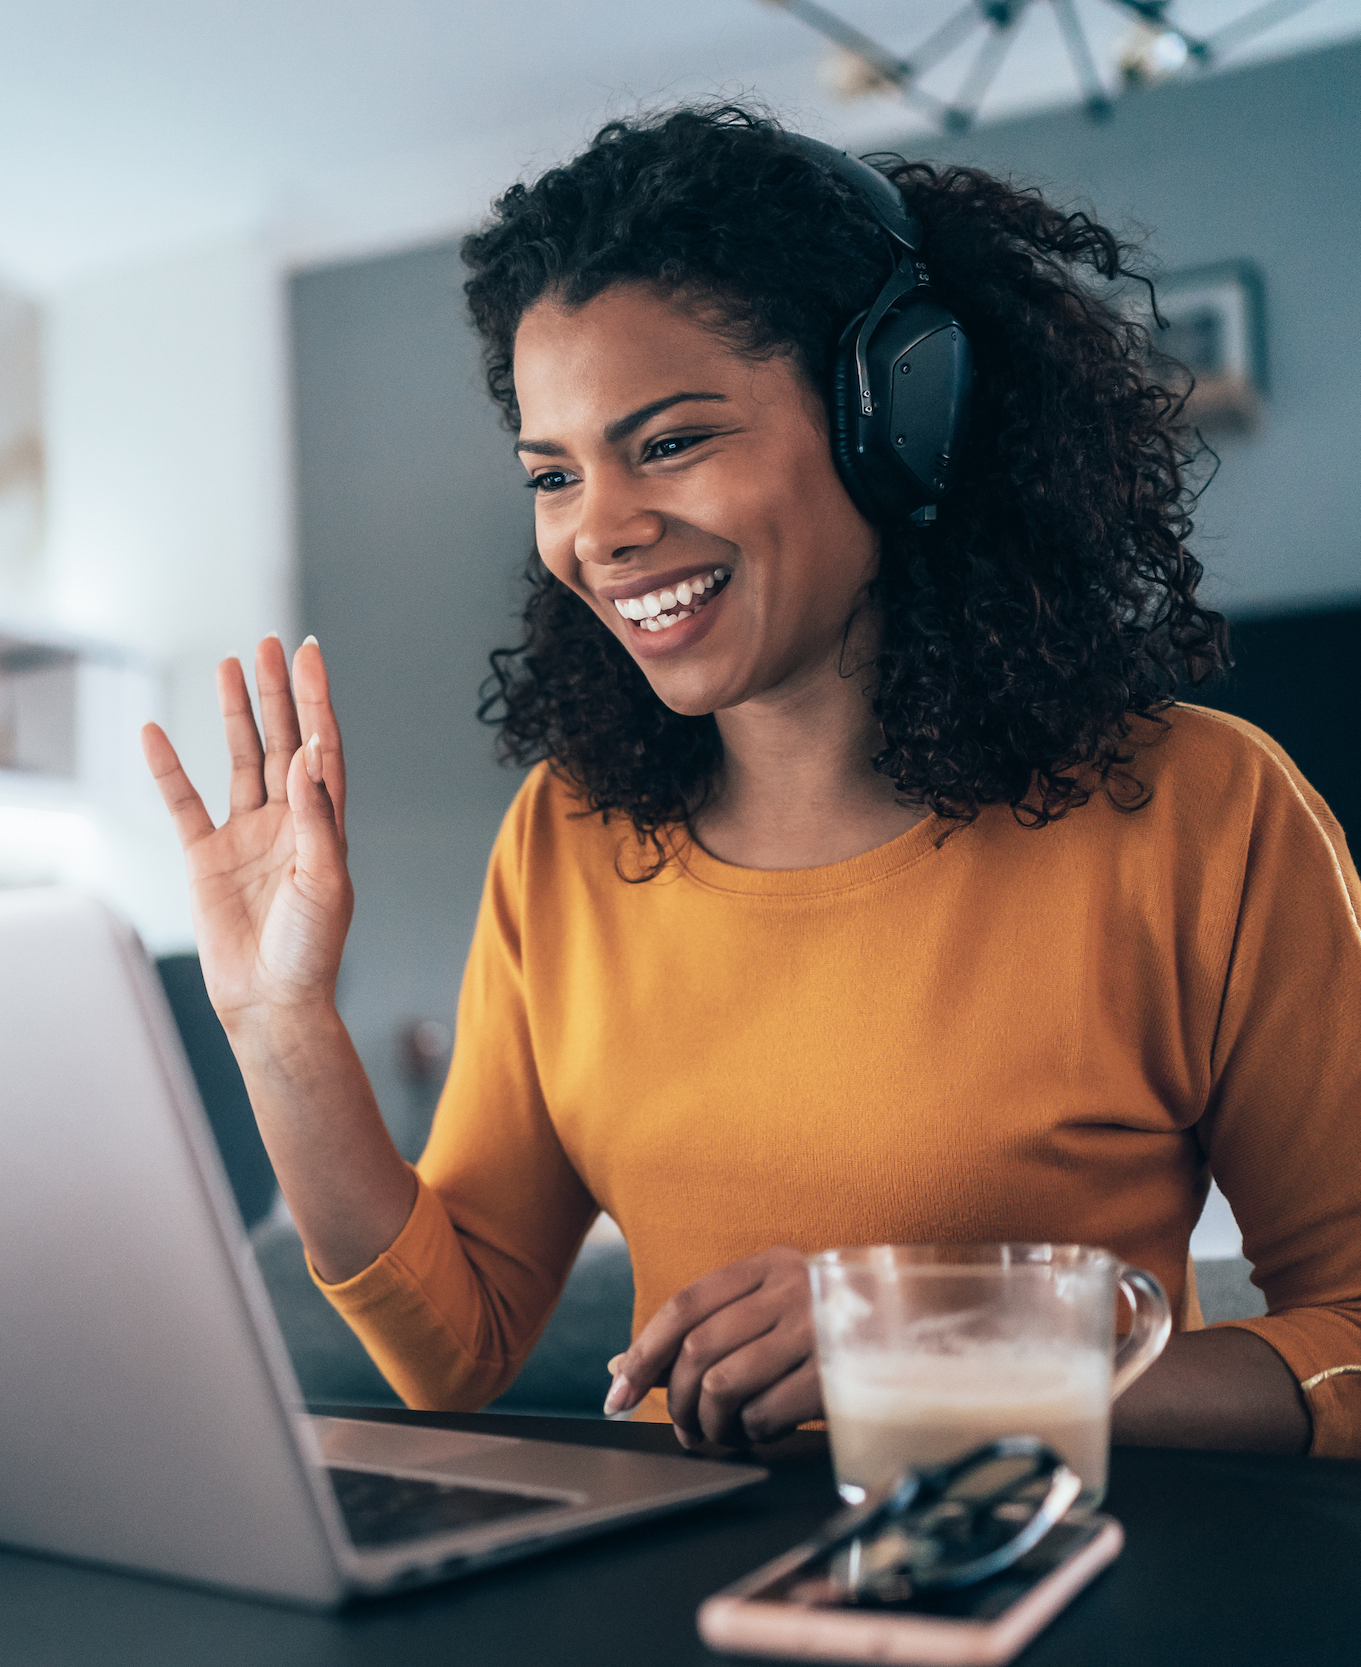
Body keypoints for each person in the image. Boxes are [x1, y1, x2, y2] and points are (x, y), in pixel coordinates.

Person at [140, 105, 1360, 1460]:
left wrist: (953, 1364)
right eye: (555, 472)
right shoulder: (568, 839)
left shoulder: (1206, 814)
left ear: (895, 417)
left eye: (668, 443)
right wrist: (278, 1020)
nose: (598, 531)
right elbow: (453, 1348)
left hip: (1049, 1591)